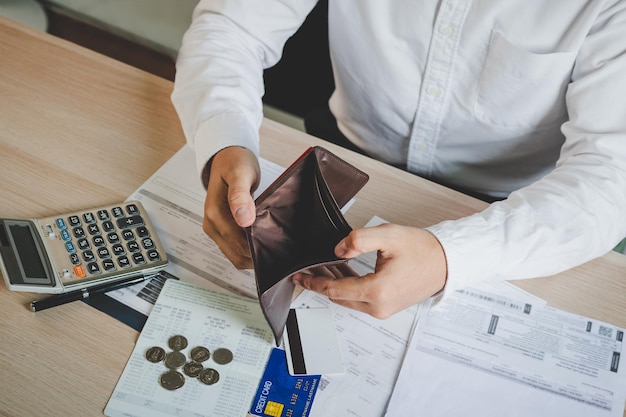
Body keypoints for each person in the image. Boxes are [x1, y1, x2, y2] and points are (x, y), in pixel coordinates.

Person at [171, 1, 626, 319]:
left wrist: (452, 255)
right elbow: (231, 29)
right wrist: (222, 140)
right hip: (347, 150)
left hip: (515, 208)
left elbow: (611, 175)